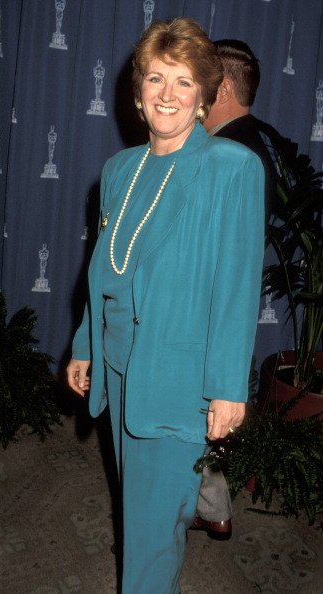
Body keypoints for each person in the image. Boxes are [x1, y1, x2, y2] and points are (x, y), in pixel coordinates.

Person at [67, 19, 265, 594]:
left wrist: (228, 387)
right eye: (156, 78)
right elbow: (106, 270)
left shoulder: (231, 169)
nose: (168, 94)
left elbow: (237, 284)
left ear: (204, 95)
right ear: (138, 92)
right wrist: (87, 345)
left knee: (152, 537)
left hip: (180, 380)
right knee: (144, 523)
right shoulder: (119, 171)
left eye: (183, 81)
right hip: (123, 369)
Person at [192, 38, 298, 541]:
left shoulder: (228, 153)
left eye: (202, 80)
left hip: (204, 307)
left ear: (225, 86)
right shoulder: (260, 142)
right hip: (226, 306)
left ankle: (178, 517)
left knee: (189, 417)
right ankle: (212, 508)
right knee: (205, 415)